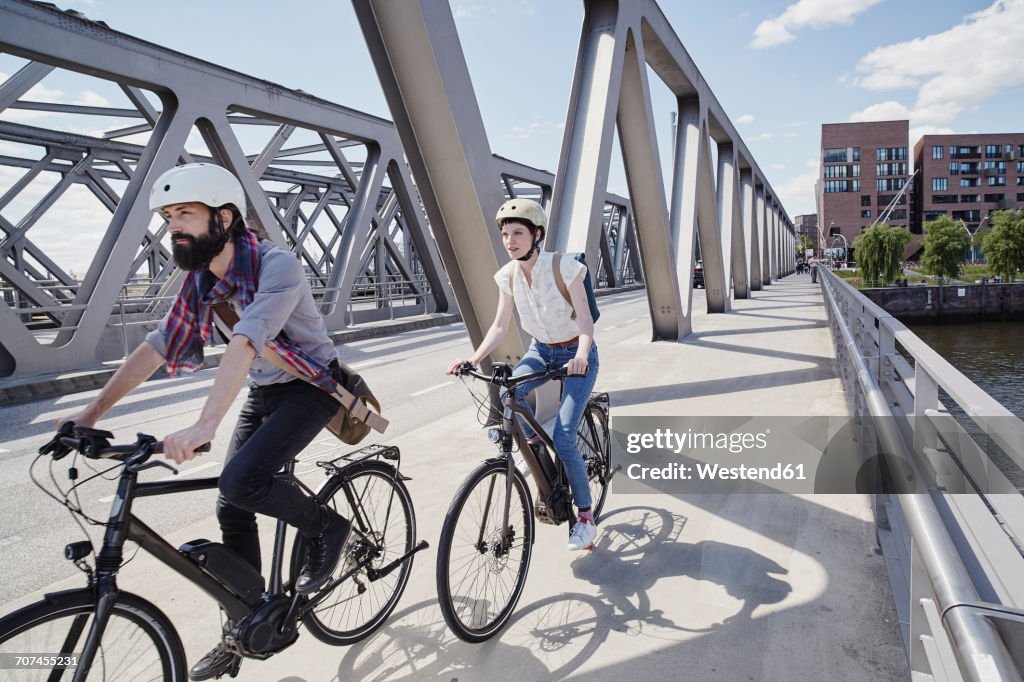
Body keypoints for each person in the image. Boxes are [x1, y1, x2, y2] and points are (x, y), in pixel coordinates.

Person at [55, 163, 352, 681]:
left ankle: (327, 526)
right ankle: (246, 624)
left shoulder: (276, 265)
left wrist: (205, 424)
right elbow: (157, 346)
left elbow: (247, 340)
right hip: (266, 389)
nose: (174, 225)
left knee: (243, 480)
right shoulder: (200, 282)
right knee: (230, 502)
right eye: (168, 215)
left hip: (311, 388)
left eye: (185, 213)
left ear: (224, 217)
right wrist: (88, 416)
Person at [446, 198, 600, 551]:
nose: (510, 240)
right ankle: (537, 454)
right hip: (541, 350)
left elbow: (587, 321)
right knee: (507, 396)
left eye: (518, 233)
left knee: (563, 435)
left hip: (577, 351)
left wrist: (579, 355)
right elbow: (500, 325)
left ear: (537, 234)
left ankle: (586, 517)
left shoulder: (564, 268)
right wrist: (473, 358)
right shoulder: (508, 276)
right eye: (505, 234)